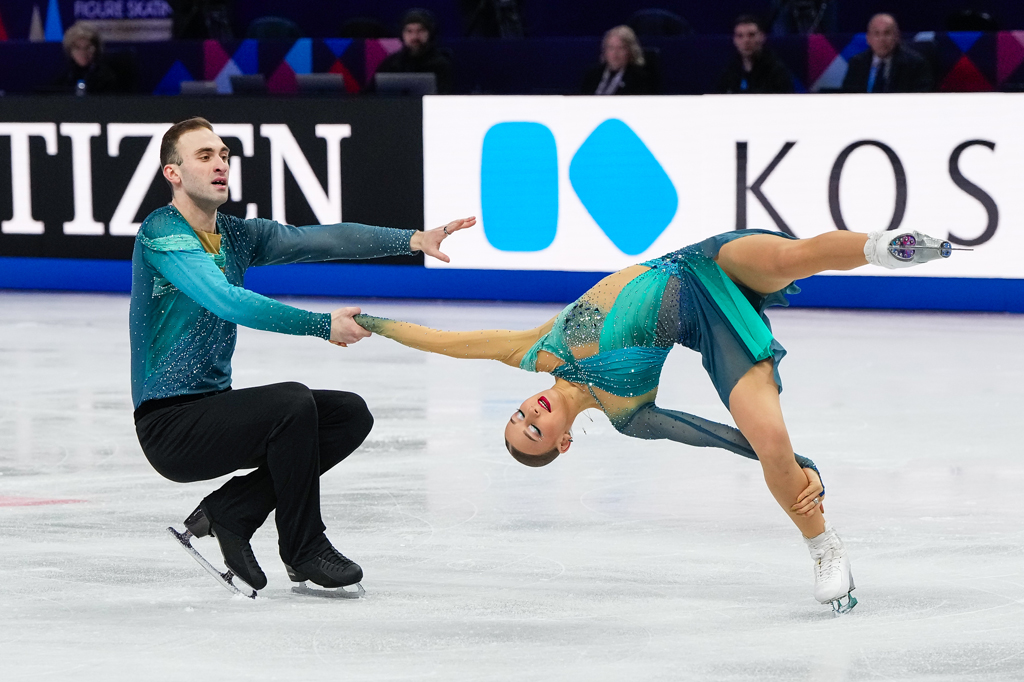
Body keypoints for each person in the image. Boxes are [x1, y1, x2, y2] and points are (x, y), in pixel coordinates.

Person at [354, 228, 960, 613]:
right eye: (532, 432)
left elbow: (448, 342)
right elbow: (713, 436)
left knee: (789, 256)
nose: (529, 413)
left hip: (695, 263)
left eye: (518, 416)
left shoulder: (535, 351)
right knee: (770, 438)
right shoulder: (628, 415)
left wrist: (373, 323)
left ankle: (886, 248)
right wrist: (786, 461)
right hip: (712, 329)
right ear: (563, 444)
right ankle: (823, 547)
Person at [131, 117, 474, 594]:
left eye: (224, 155)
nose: (220, 165)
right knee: (292, 403)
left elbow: (322, 239)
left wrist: (413, 239)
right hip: (169, 425)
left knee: (346, 415)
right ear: (173, 173)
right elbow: (227, 300)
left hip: (212, 410)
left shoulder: (235, 235)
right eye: (204, 156)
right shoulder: (162, 233)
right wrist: (321, 325)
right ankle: (304, 547)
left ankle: (232, 512)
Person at [842, 14, 932, 93]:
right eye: (876, 34)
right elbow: (848, 96)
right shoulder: (857, 63)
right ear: (868, 39)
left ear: (897, 36)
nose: (882, 39)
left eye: (887, 33)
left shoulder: (915, 64)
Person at [373, 8, 454, 94]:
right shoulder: (392, 63)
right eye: (409, 31)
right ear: (402, 35)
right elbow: (368, 94)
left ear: (430, 33)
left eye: (420, 31)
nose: (415, 37)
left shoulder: (441, 65)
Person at [718, 15, 794, 94]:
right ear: (734, 40)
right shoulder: (730, 72)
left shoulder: (777, 72)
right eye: (740, 36)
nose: (746, 41)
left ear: (762, 37)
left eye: (751, 35)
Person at [52, 22, 124, 95]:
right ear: (70, 51)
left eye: (88, 47)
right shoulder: (64, 79)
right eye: (77, 48)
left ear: (97, 49)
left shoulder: (106, 78)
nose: (83, 52)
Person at [580, 25, 653, 96]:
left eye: (621, 48)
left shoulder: (639, 79)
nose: (615, 54)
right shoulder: (592, 75)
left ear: (630, 51)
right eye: (611, 48)